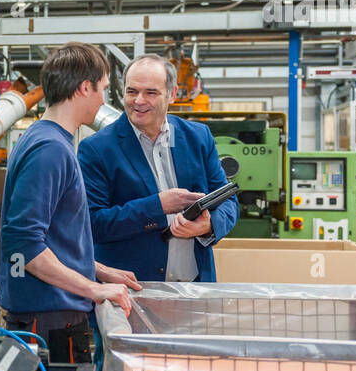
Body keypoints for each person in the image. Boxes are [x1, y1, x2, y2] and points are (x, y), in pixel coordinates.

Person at [0, 42, 139, 365]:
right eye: (103, 88)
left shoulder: (45, 139)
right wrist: (93, 288)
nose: (104, 99)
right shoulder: (50, 149)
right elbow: (25, 247)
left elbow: (54, 242)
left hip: (49, 316)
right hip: (48, 323)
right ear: (84, 87)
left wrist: (99, 270)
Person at [76, 54, 238, 282]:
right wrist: (158, 206)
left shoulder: (198, 138)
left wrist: (209, 225)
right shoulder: (96, 149)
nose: (139, 101)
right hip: (132, 290)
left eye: (151, 92)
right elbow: (92, 224)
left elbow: (228, 201)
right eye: (132, 92)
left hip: (196, 288)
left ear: (172, 94)